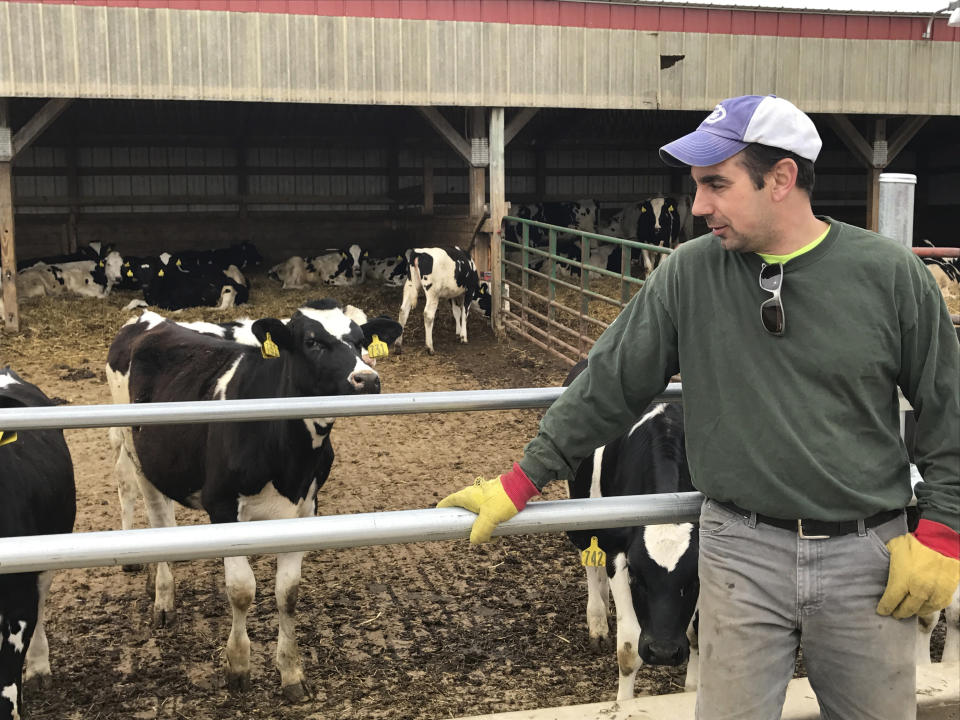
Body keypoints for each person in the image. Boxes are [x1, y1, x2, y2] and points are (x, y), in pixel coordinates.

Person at [438, 94, 960, 719]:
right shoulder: (689, 273)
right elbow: (610, 382)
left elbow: (946, 409)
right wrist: (523, 478)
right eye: (696, 186)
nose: (698, 205)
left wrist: (945, 528)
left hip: (865, 556)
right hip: (738, 550)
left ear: (782, 179)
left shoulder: (891, 276)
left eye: (717, 183)